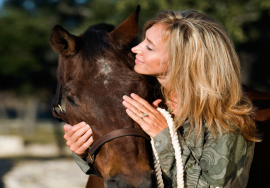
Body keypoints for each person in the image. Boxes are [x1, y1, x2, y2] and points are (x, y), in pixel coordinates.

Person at [63, 10, 260, 188]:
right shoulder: (150, 101)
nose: (135, 49)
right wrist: (84, 153)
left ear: (183, 59)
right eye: (143, 40)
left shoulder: (225, 119)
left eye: (149, 47)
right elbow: (128, 172)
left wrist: (163, 136)